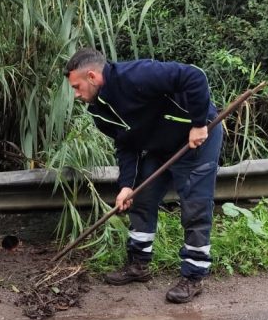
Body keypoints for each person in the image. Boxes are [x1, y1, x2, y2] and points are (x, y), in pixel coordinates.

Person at [64, 47, 221, 304]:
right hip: (160, 146)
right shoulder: (99, 112)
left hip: (197, 139)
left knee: (195, 204)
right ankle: (138, 265)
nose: (76, 94)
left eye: (76, 86)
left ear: (92, 76)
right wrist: (126, 186)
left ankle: (194, 275)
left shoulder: (136, 75)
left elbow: (194, 76)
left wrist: (199, 123)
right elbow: (126, 145)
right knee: (141, 196)